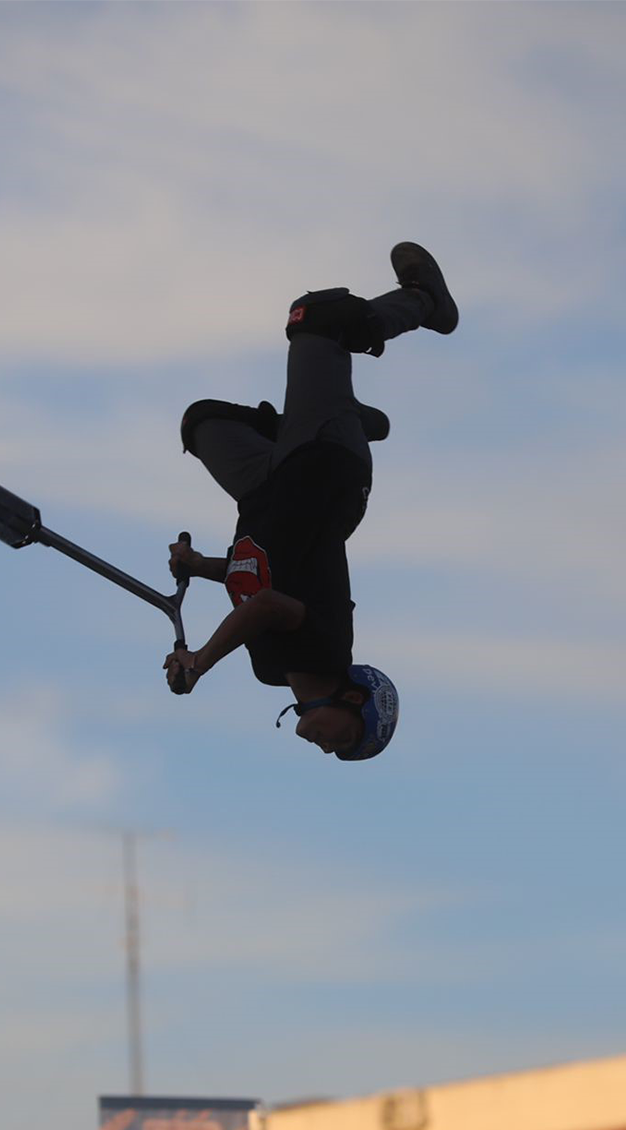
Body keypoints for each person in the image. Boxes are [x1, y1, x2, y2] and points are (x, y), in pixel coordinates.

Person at [163, 242, 458, 760]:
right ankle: (424, 301)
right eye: (344, 737)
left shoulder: (269, 670)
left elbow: (256, 575)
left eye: (335, 751)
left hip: (264, 490)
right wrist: (201, 661)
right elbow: (269, 604)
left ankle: (348, 413)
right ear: (352, 696)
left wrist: (197, 564)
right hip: (326, 469)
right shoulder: (326, 652)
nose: (327, 747)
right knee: (317, 317)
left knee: (201, 421)